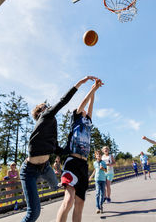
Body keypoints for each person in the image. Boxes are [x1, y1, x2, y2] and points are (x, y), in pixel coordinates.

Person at [20, 76, 96, 222]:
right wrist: (81, 83)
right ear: (40, 112)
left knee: (59, 188)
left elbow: (59, 150)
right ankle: (64, 183)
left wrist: (72, 144)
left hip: (46, 168)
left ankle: (63, 183)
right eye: (44, 106)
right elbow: (63, 101)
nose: (47, 107)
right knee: (34, 212)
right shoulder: (45, 116)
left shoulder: (52, 132)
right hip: (29, 169)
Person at [56, 78, 103, 222]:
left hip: (83, 165)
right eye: (82, 109)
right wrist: (93, 88)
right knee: (68, 200)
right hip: (72, 162)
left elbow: (91, 104)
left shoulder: (88, 120)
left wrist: (95, 89)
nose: (84, 110)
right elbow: (85, 101)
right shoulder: (76, 117)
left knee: (80, 204)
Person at [88, 150, 107, 214]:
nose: (98, 155)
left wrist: (103, 168)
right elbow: (95, 170)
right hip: (97, 179)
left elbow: (106, 171)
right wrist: (91, 176)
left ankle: (101, 205)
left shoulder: (103, 162)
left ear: (101, 156)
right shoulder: (94, 163)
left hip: (103, 180)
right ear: (95, 156)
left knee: (102, 194)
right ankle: (97, 207)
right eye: (97, 155)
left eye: (99, 154)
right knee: (97, 193)